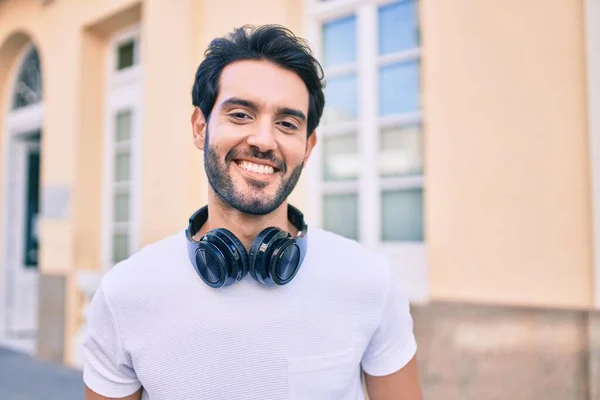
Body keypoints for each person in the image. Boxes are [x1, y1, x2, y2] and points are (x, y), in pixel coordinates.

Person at [83, 24, 423, 400]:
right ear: (200, 127)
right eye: (241, 114)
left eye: (286, 123)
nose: (264, 140)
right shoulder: (125, 294)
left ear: (308, 147)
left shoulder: (370, 282)